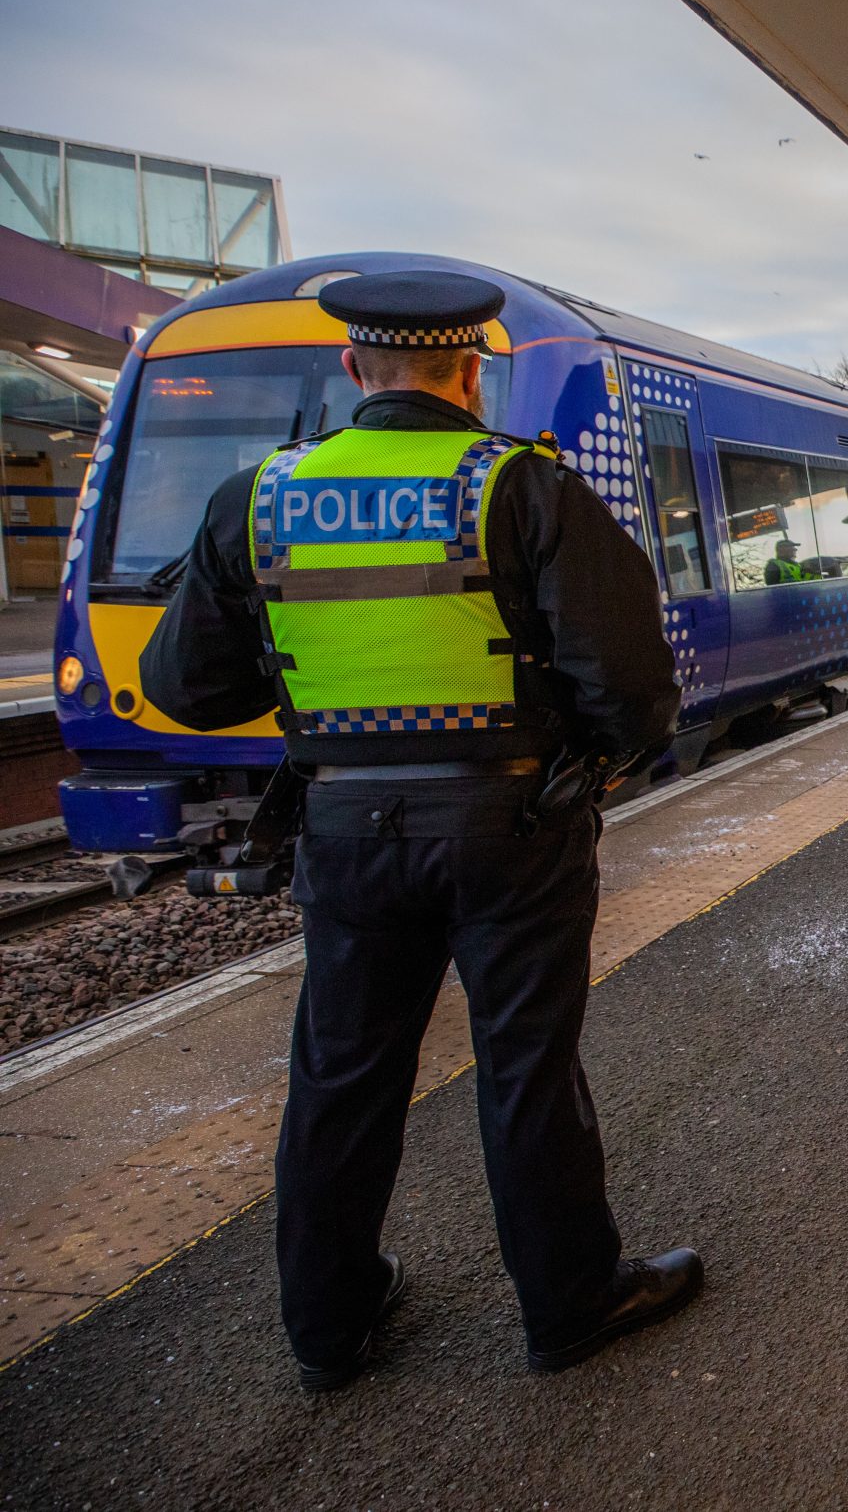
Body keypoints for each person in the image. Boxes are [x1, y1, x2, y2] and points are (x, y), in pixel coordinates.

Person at [137, 271, 700, 1389]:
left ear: (354, 372)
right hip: (513, 824)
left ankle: (329, 1328)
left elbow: (186, 688)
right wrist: (594, 761)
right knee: (525, 1065)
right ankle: (567, 1305)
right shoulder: (523, 489)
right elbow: (633, 685)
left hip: (343, 828)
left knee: (341, 1073)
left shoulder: (257, 498)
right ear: (470, 371)